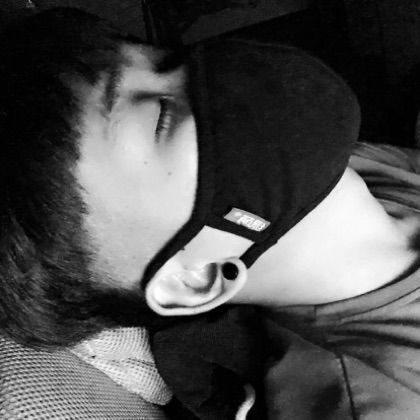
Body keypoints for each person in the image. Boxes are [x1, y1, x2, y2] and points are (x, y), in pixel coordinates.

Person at [2, 6, 420, 420]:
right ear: (194, 280)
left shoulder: (353, 168)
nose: (218, 78)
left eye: (170, 61)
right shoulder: (382, 401)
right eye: (161, 116)